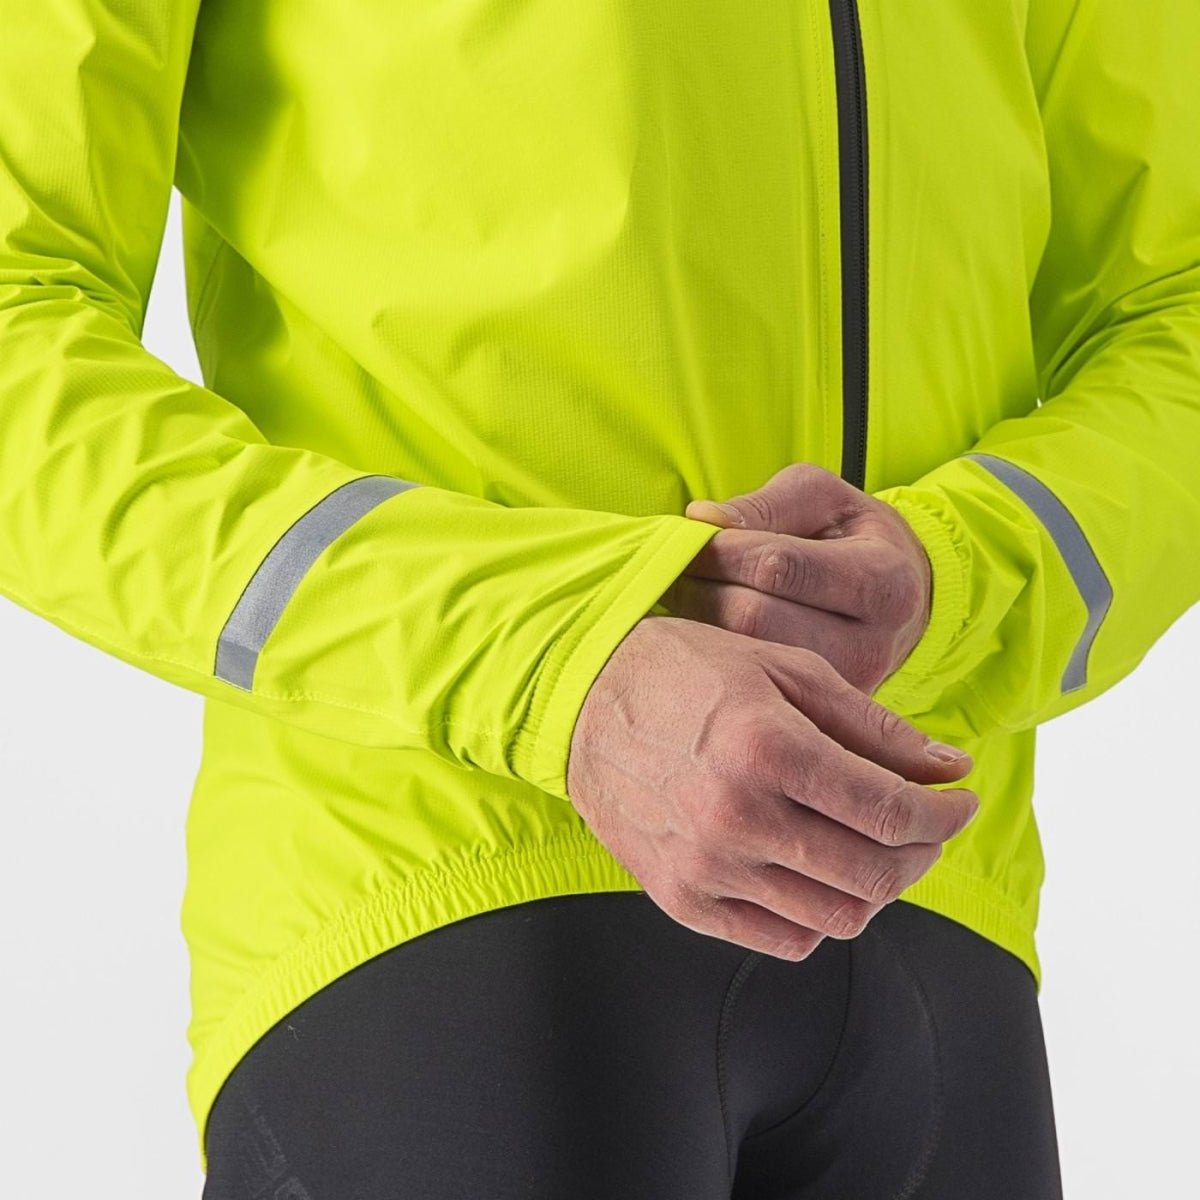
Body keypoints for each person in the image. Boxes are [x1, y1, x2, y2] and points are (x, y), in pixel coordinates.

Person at [1, 2, 1197, 1196]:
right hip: (429, 884)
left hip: (934, 911)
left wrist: (962, 570)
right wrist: (545, 656)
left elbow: (1174, 308)